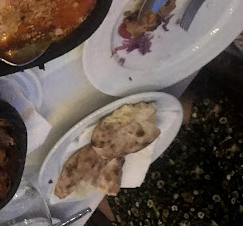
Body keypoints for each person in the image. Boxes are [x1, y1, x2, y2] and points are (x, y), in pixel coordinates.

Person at [88, 47, 243, 226]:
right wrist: (148, 114)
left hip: (94, 156)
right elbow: (220, 117)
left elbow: (118, 216)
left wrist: (88, 191)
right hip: (156, 96)